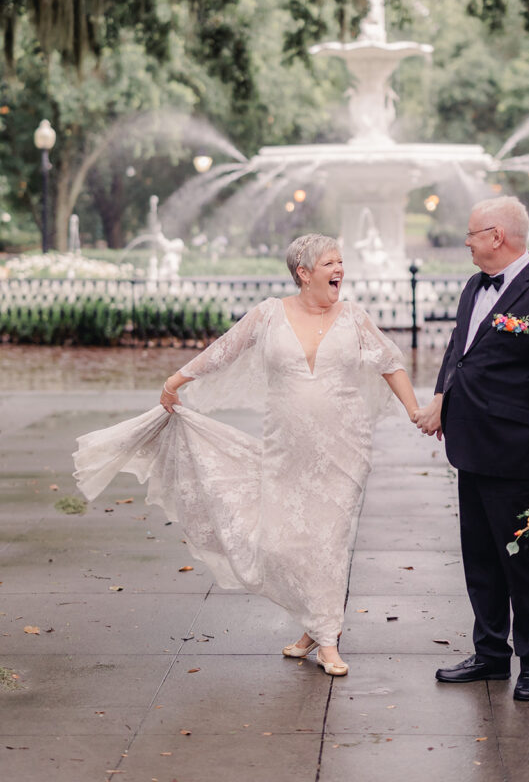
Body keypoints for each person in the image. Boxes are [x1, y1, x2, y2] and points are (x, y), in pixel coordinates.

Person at [74, 234, 418, 677]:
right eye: (330, 262)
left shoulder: (353, 317)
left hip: (344, 446)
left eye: (341, 261)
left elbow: (389, 362)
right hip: (285, 446)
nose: (340, 270)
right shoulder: (269, 315)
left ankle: (328, 638)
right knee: (282, 541)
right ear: (304, 272)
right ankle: (314, 624)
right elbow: (224, 350)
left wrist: (415, 411)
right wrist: (175, 380)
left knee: (328, 539)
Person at [414, 197, 529, 701]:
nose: (465, 241)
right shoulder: (474, 287)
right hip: (471, 447)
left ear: (496, 236)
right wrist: (442, 399)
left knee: (525, 561)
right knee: (481, 558)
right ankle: (490, 653)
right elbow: (459, 353)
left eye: (471, 233)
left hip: (519, 453)